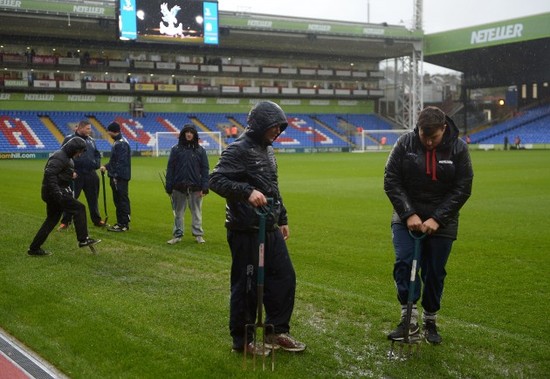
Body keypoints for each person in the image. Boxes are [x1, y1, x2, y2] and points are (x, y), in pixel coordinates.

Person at [209, 101, 306, 356]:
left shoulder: (268, 151)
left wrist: (282, 218)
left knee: (284, 277)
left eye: (280, 127)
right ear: (260, 123)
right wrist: (247, 191)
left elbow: (273, 187)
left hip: (269, 226)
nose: (278, 131)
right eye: (274, 126)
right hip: (245, 229)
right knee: (247, 285)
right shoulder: (237, 149)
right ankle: (243, 340)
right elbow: (216, 179)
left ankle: (276, 330)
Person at [383, 106, 473, 344]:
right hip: (406, 217)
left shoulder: (459, 149)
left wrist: (438, 218)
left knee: (434, 271)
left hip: (443, 220)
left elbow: (463, 187)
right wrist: (409, 214)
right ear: (418, 129)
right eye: (424, 136)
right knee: (404, 263)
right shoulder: (405, 144)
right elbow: (391, 179)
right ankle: (408, 319)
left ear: (444, 128)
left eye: (434, 137)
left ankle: (430, 320)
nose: (429, 142)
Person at [28, 137, 101, 256]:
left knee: (51, 220)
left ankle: (34, 248)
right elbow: (49, 174)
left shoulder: (65, 156)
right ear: (74, 149)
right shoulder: (60, 156)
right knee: (79, 208)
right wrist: (57, 193)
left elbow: (58, 173)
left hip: (52, 192)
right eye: (80, 151)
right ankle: (83, 239)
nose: (80, 154)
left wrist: (69, 174)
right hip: (55, 192)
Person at [164, 124, 210, 245]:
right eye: (187, 132)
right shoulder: (176, 149)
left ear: (194, 134)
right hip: (178, 187)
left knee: (197, 212)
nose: (189, 134)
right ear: (183, 133)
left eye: (191, 132)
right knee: (178, 213)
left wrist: (205, 186)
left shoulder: (201, 151)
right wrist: (169, 186)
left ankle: (198, 235)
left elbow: (205, 170)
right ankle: (177, 235)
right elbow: (170, 169)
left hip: (196, 187)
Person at [58, 120, 105, 231]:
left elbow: (97, 154)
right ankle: (66, 221)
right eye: (88, 128)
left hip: (91, 174)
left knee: (93, 199)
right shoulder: (69, 139)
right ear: (80, 128)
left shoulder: (91, 140)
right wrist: (70, 171)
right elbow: (63, 155)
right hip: (76, 174)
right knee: (71, 198)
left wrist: (96, 164)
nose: (90, 130)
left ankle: (97, 220)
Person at [100, 122, 131, 232]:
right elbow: (115, 161)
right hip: (118, 176)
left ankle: (124, 224)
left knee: (121, 200)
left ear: (113, 131)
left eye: (109, 131)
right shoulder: (118, 142)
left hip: (119, 177)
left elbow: (120, 162)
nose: (108, 134)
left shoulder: (120, 143)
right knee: (118, 200)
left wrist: (115, 175)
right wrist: (106, 166)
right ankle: (120, 222)